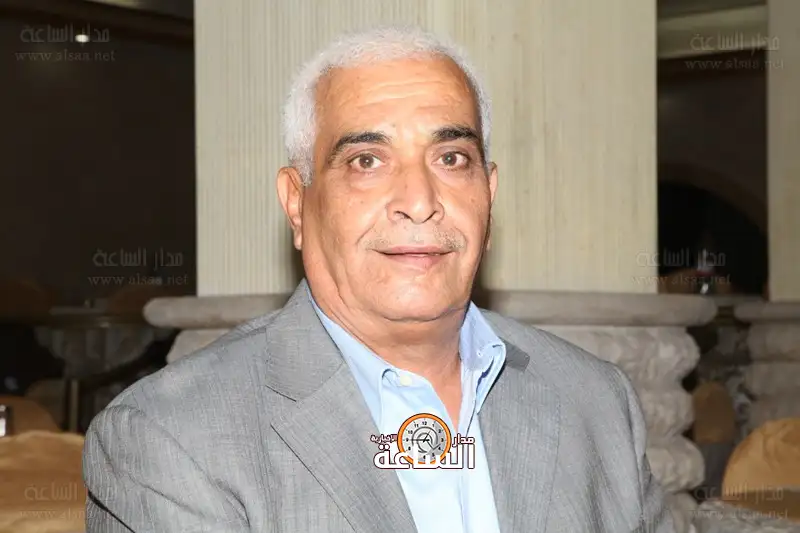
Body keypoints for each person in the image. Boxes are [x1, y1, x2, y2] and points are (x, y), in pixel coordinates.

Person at [83, 26, 674, 532]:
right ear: (297, 204)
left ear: (488, 196)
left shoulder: (596, 400)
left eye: (451, 158)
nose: (419, 201)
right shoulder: (169, 438)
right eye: (366, 161)